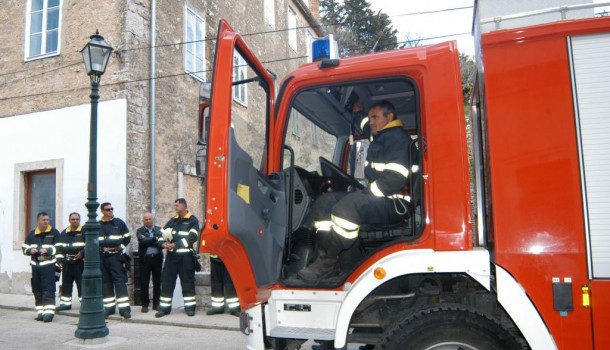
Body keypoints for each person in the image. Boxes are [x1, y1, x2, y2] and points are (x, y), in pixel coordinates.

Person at [298, 100, 411, 281]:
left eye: (375, 117)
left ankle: (328, 262)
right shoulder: (381, 135)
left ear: (389, 117)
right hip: (381, 198)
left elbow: (394, 179)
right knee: (324, 203)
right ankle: (328, 258)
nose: (371, 121)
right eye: (370, 118)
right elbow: (366, 127)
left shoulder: (397, 138)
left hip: (396, 204)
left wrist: (365, 193)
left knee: (347, 208)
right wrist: (359, 113)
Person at [155, 198, 200, 318]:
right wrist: (163, 244)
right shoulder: (172, 220)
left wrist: (175, 245)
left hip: (186, 257)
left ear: (184, 206)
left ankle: (190, 308)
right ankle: (164, 308)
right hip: (171, 258)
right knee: (167, 283)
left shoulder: (192, 220)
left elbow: (192, 237)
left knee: (187, 283)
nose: (175, 208)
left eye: (177, 205)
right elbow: (160, 234)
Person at [22, 212, 60, 322]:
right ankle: (41, 312)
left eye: (47, 219)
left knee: (48, 289)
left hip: (48, 266)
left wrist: (47, 250)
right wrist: (30, 250)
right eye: (43, 220)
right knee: (37, 290)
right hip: (35, 266)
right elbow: (24, 248)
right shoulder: (32, 234)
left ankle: (49, 313)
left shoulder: (54, 233)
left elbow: (58, 247)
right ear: (38, 221)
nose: (46, 221)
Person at [99, 202, 132, 319]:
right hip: (103, 258)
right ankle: (109, 308)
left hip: (116, 257)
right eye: (108, 210)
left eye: (112, 209)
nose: (110, 211)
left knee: (120, 283)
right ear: (102, 211)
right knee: (106, 283)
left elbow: (127, 237)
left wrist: (121, 248)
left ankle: (125, 310)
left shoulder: (119, 223)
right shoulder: (98, 225)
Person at [56, 212, 85, 311]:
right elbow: (59, 248)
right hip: (67, 263)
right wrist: (59, 260)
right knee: (66, 284)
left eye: (77, 219)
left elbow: (89, 245)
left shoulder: (84, 231)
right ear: (69, 220)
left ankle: (84, 304)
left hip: (80, 263)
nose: (75, 221)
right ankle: (65, 304)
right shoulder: (64, 233)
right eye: (73, 219)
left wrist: (82, 253)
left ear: (80, 220)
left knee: (81, 284)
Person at [136, 211, 163, 313]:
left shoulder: (159, 230)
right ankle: (145, 305)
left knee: (157, 282)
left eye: (150, 219)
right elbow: (142, 241)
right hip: (145, 259)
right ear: (143, 221)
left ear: (153, 219)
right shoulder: (140, 231)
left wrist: (150, 240)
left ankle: (156, 304)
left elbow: (161, 241)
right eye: (146, 219)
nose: (148, 221)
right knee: (144, 283)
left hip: (157, 259)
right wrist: (155, 239)